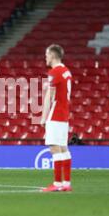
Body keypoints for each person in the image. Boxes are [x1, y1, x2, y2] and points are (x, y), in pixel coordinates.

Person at [40, 44, 72, 192]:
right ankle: (66, 183)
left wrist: (43, 116)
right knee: (63, 148)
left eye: (47, 55)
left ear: (52, 56)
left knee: (54, 147)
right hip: (64, 114)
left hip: (56, 113)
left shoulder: (55, 72)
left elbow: (49, 96)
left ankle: (57, 183)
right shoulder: (66, 71)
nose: (45, 58)